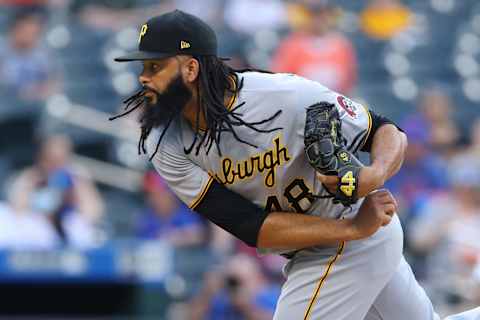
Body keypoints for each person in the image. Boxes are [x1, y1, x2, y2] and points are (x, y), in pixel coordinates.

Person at [112, 10, 480, 320]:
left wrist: (372, 175)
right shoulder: (166, 145)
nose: (143, 77)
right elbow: (251, 227)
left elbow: (383, 129)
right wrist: (353, 228)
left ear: (190, 68)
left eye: (155, 66)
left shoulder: (282, 95)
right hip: (340, 234)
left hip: (353, 237)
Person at [271, 1, 357, 95]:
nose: (318, 20)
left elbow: (349, 80)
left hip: (335, 99)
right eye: (314, 15)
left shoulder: (341, 44)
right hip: (301, 99)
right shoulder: (292, 44)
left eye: (322, 15)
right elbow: (280, 79)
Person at [135, 170, 205, 247]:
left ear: (170, 194)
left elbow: (199, 235)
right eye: (149, 195)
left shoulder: (184, 213)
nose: (153, 199)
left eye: (158, 194)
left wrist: (176, 237)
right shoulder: (146, 218)